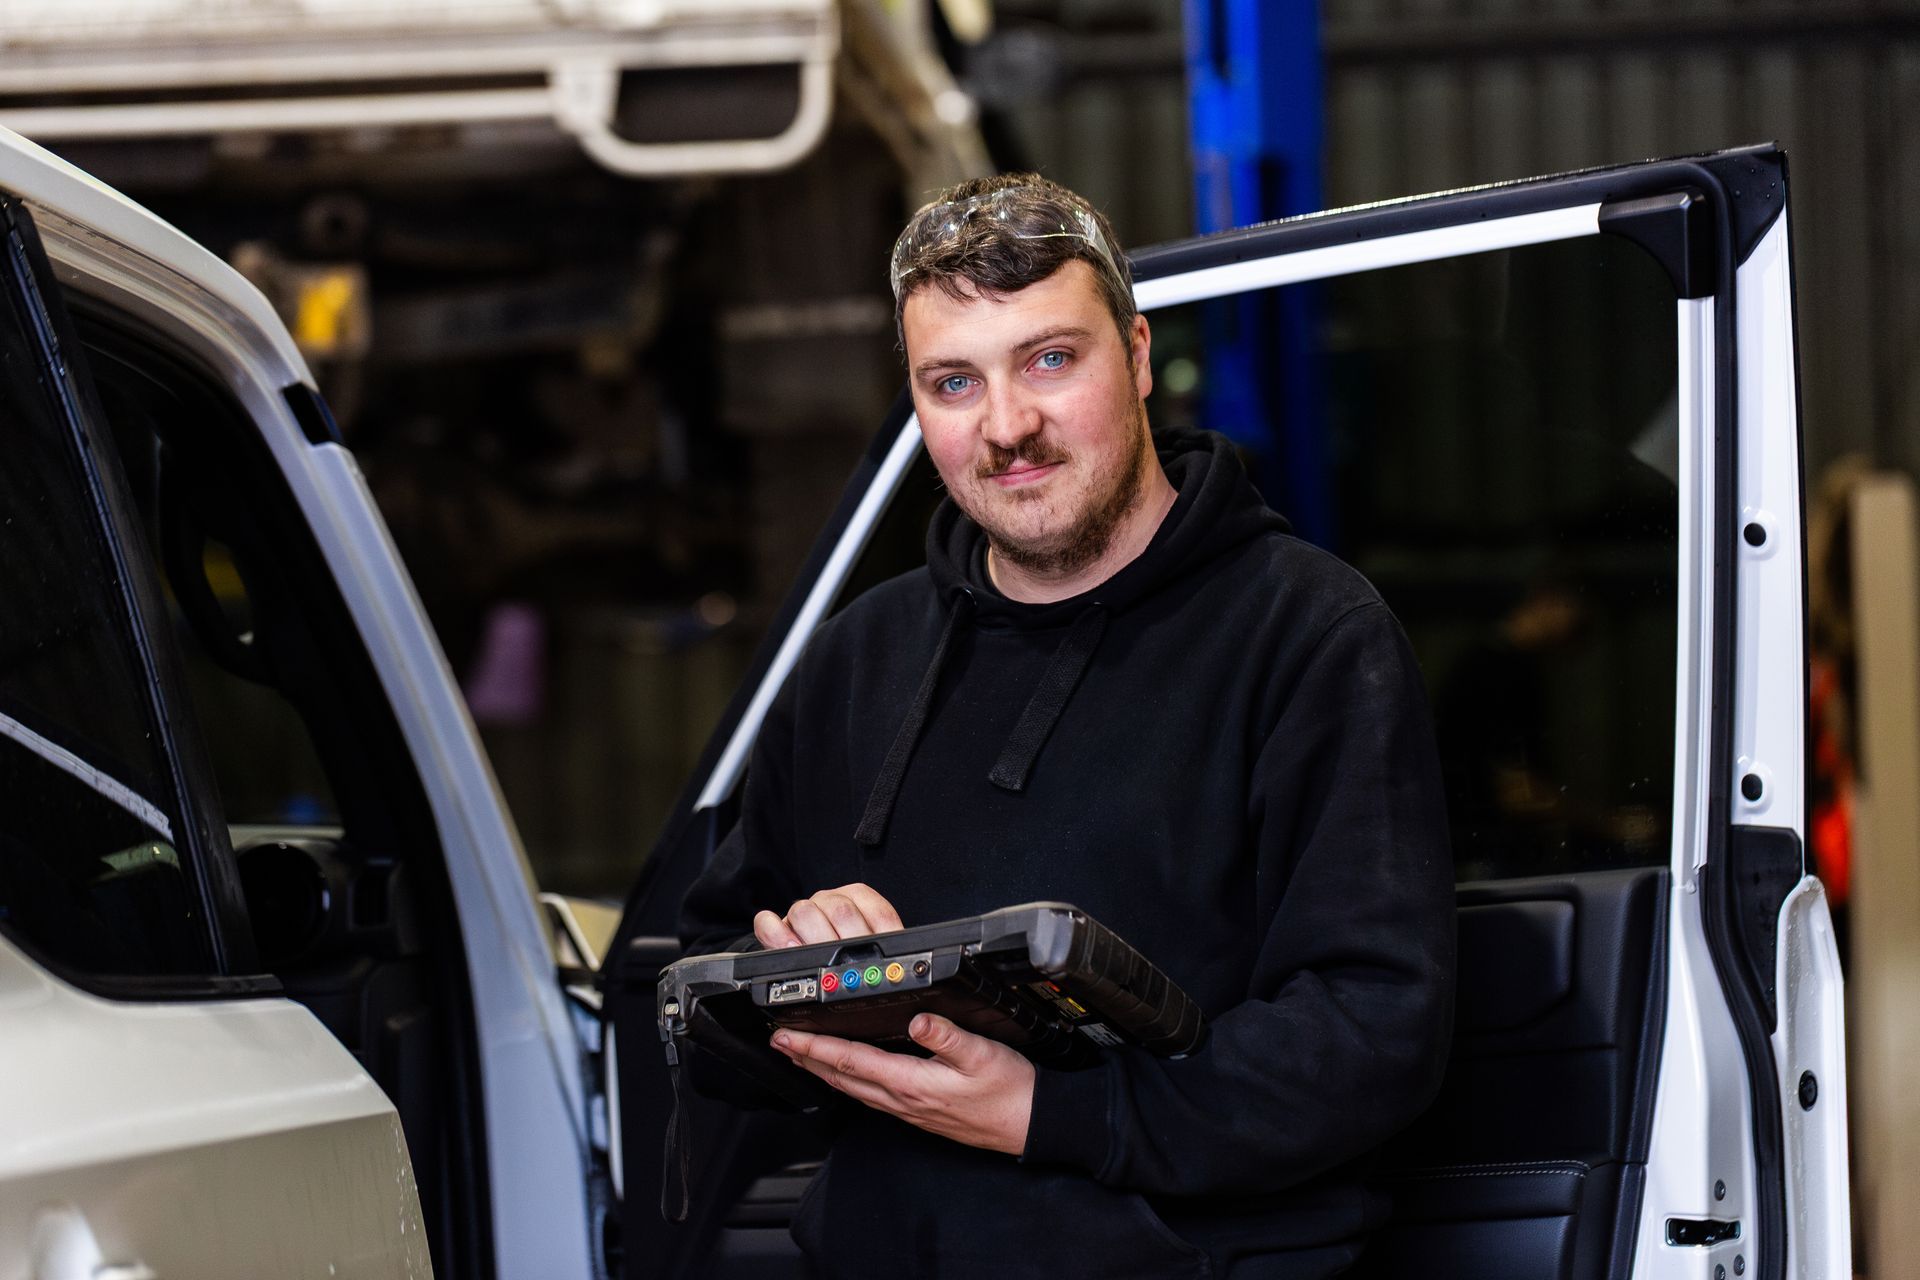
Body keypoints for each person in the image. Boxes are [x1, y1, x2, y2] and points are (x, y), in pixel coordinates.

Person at [680, 174, 1455, 1278]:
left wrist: (1053, 1113)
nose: (1007, 426)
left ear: (1136, 358)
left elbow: (1374, 1029)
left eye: (1051, 358)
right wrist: (804, 974)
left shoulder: (1308, 634)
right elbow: (709, 1003)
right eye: (955, 382)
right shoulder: (861, 655)